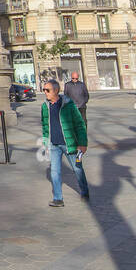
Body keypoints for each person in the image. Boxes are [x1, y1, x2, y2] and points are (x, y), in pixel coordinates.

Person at [41, 78, 89, 207]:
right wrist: (45, 143)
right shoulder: (45, 106)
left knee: (77, 169)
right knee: (54, 172)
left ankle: (84, 191)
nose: (45, 92)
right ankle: (58, 198)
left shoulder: (68, 104)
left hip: (69, 144)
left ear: (56, 91)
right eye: (44, 90)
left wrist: (83, 144)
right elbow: (45, 125)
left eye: (48, 90)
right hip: (54, 145)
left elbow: (80, 124)